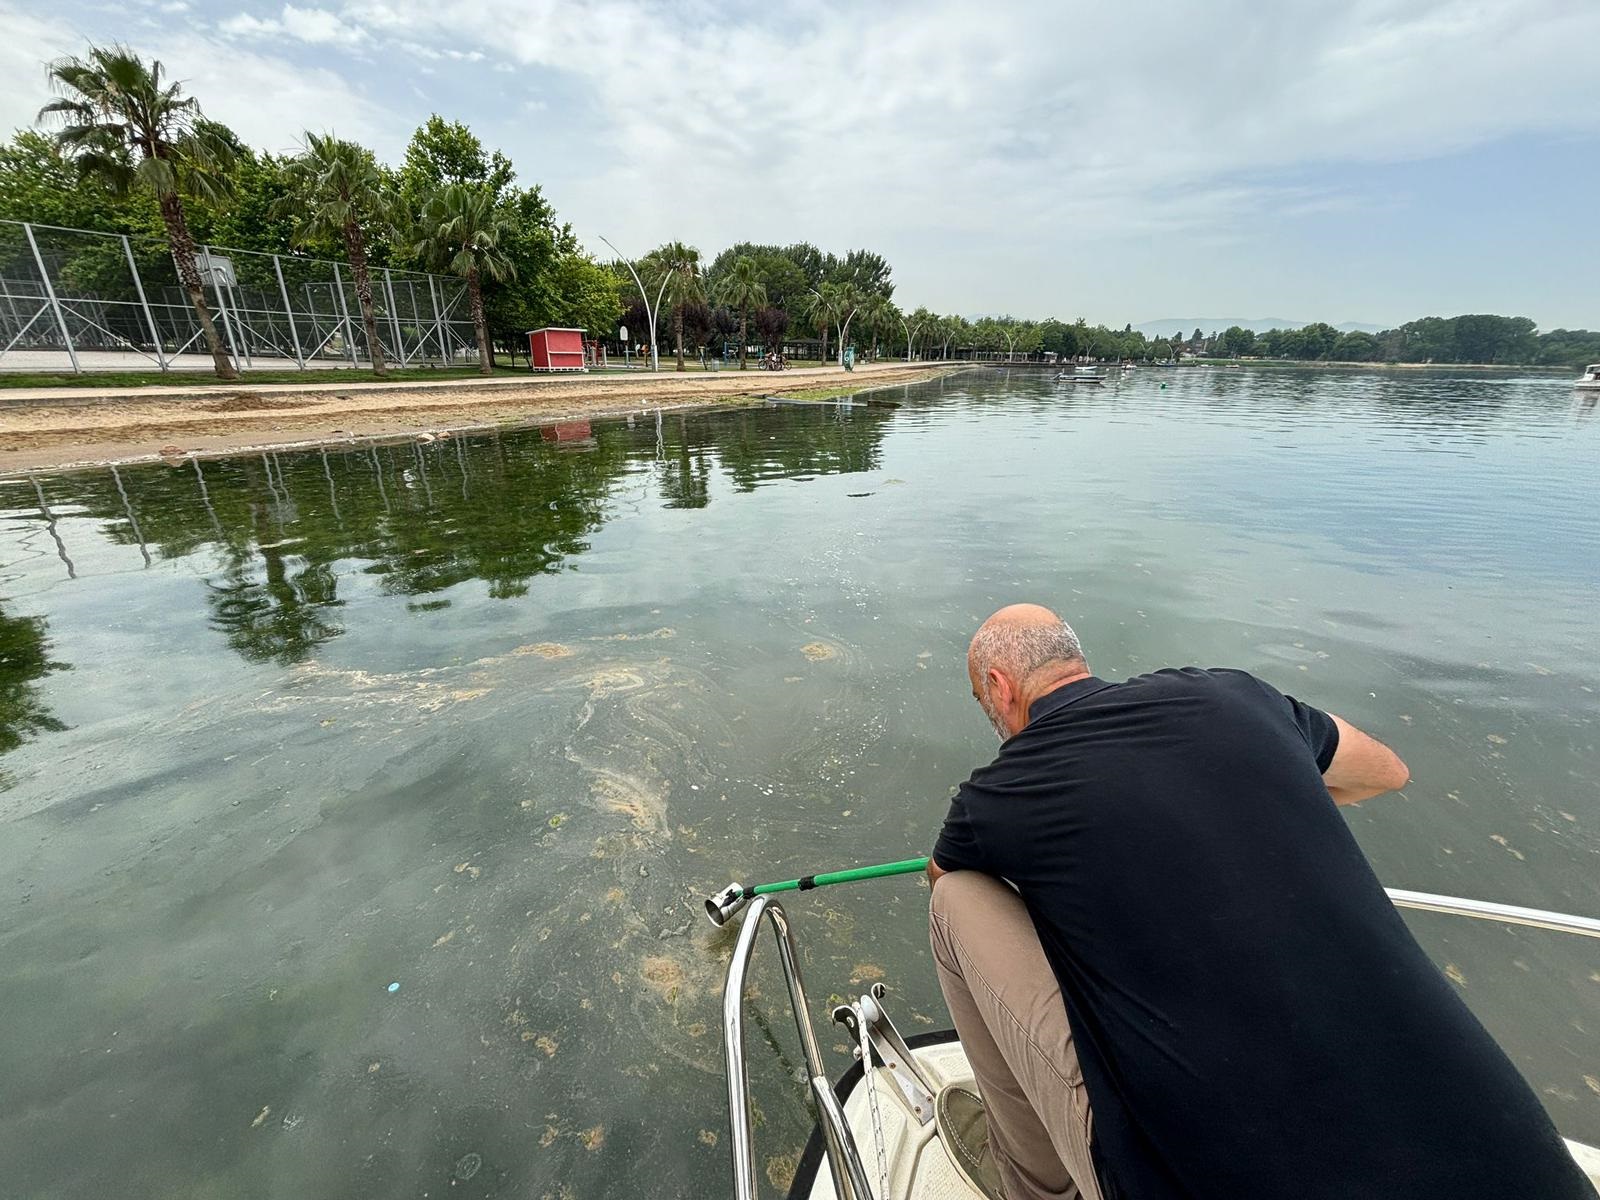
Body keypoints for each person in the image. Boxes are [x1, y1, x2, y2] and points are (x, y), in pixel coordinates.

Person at [928, 604, 1593, 1200]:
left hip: (1183, 1179)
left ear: (999, 688)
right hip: (1523, 1171)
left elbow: (942, 875)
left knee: (956, 901)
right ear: (1075, 658)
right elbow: (1387, 772)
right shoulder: (1236, 695)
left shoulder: (998, 793)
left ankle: (1034, 1185)